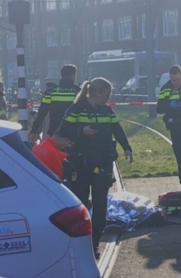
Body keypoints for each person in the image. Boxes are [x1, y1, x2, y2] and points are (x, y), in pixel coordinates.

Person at [60, 78, 134, 253]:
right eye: (106, 95)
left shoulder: (107, 111)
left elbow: (117, 129)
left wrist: (127, 148)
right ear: (97, 93)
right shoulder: (76, 109)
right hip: (81, 163)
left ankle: (94, 244)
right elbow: (64, 130)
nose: (108, 99)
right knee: (81, 205)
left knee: (100, 207)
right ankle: (80, 244)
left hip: (103, 163)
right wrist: (82, 131)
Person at [31, 65, 79, 143]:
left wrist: (34, 130)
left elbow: (41, 114)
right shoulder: (79, 92)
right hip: (73, 133)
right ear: (73, 75)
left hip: (55, 133)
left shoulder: (50, 92)